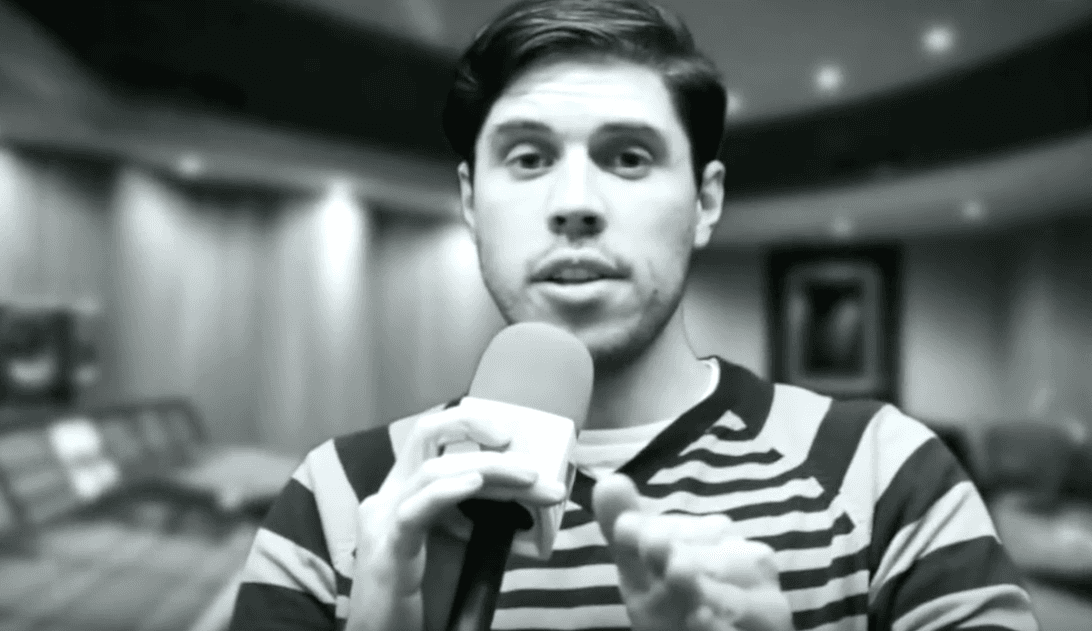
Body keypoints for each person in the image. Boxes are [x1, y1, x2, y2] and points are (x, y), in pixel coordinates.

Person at [227, 1, 1039, 629]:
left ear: (705, 202)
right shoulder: (336, 497)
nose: (575, 203)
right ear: (471, 201)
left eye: (629, 157)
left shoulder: (884, 472)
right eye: (528, 157)